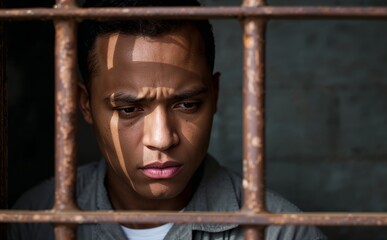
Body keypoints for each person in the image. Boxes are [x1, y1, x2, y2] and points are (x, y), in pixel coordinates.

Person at [9, 0, 327, 239]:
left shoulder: (280, 232)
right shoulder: (35, 219)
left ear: (214, 96)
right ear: (85, 105)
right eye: (129, 109)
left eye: (187, 104)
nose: (162, 139)